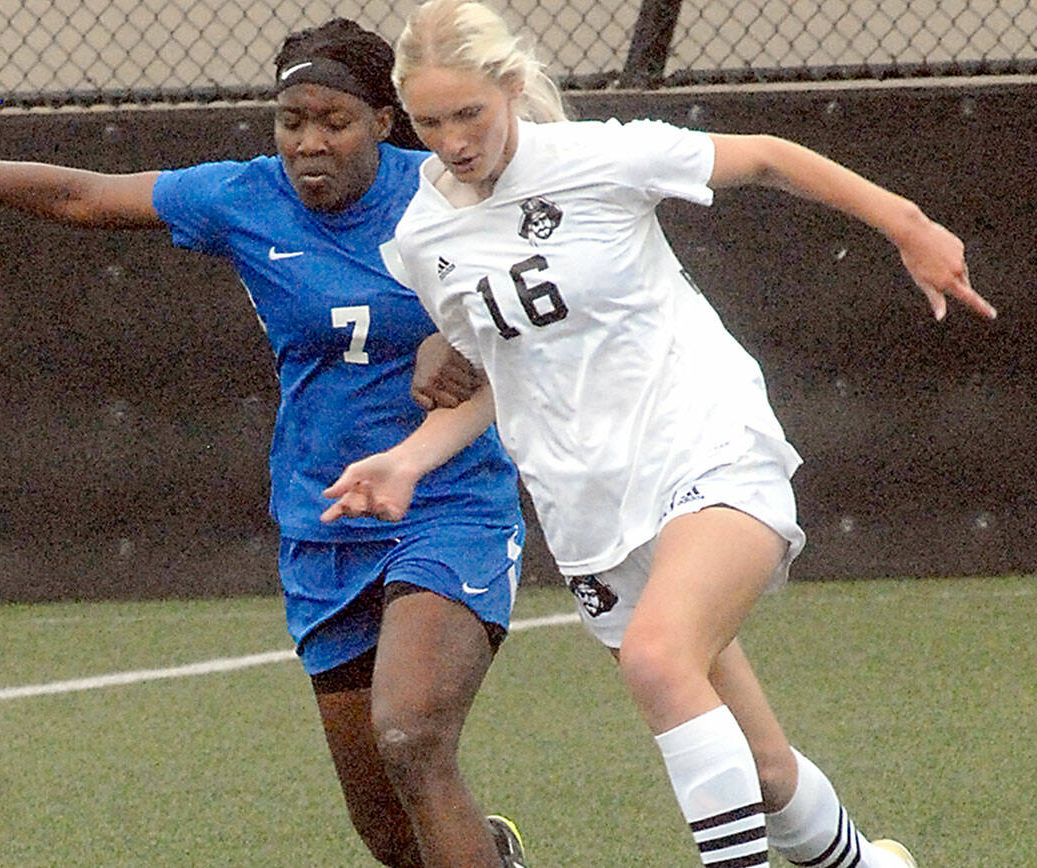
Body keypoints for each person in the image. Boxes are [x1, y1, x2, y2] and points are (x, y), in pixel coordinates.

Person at [0, 18, 530, 868]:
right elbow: (84, 194)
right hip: (322, 519)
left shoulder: (451, 192)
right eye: (291, 120)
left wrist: (461, 335)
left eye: (334, 120)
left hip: (446, 506)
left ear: (384, 118)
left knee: (409, 735)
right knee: (389, 836)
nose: (309, 142)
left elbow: (544, 281)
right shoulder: (242, 198)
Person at [321, 2, 999, 867]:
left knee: (657, 657)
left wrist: (908, 224)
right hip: (589, 512)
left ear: (513, 91)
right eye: (429, 121)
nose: (453, 140)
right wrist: (409, 458)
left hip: (704, 448)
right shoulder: (422, 237)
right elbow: (506, 374)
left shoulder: (600, 157)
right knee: (762, 770)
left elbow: (765, 158)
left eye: (470, 115)